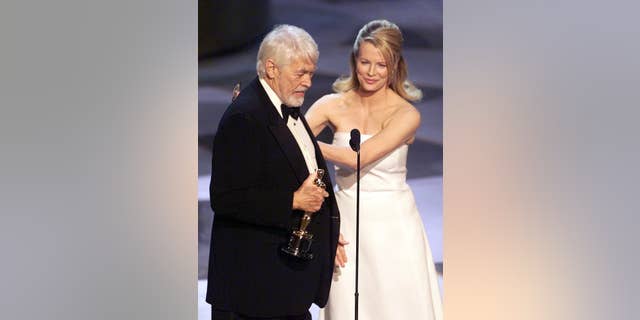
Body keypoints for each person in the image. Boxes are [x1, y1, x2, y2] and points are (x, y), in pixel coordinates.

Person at [305, 20, 443, 320]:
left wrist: (306, 144)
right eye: (365, 62)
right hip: (345, 221)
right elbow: (288, 144)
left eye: (380, 65)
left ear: (394, 66)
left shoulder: (406, 114)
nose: (371, 72)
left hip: (393, 225)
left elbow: (357, 159)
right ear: (354, 59)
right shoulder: (332, 104)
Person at [206, 25, 341, 320]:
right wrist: (292, 200)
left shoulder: (285, 106)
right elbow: (225, 198)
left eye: (311, 74)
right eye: (300, 73)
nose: (307, 82)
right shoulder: (245, 116)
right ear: (271, 68)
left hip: (283, 288)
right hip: (253, 295)